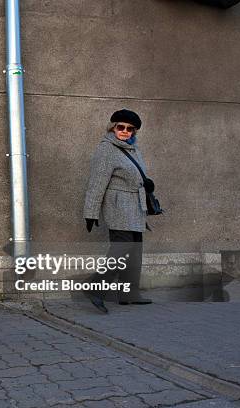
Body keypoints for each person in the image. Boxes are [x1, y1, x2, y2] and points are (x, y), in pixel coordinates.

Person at [82, 109, 153, 313]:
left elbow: (133, 174)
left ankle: (129, 293)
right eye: (120, 127)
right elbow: (96, 183)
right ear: (112, 127)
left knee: (135, 249)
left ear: (134, 132)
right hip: (118, 206)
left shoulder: (133, 149)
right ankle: (95, 287)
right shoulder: (106, 149)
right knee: (121, 248)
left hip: (136, 206)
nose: (125, 131)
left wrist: (146, 183)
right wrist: (91, 212)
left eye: (130, 129)